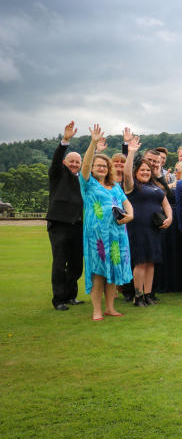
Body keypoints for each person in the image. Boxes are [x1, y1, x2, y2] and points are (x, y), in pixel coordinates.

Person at [78, 124, 133, 321]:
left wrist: (130, 215)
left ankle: (110, 308)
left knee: (113, 273)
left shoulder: (115, 186)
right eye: (97, 165)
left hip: (117, 234)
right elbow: (84, 165)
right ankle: (97, 311)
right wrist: (93, 143)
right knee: (98, 274)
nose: (101, 168)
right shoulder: (88, 184)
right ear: (92, 169)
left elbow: (127, 204)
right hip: (97, 237)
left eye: (104, 166)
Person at [123, 138, 173, 307]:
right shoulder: (131, 186)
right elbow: (126, 172)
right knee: (140, 262)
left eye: (147, 170)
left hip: (154, 229)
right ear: (136, 171)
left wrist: (170, 218)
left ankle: (148, 294)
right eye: (142, 170)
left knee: (151, 263)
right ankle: (138, 297)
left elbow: (165, 204)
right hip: (138, 228)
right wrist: (131, 153)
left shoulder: (155, 187)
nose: (145, 172)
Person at [46, 121, 85, 311]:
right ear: (65, 163)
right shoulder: (57, 174)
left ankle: (71, 295)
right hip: (60, 224)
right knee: (60, 263)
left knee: (77, 265)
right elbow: (56, 159)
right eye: (72, 161)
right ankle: (59, 299)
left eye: (78, 162)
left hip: (78, 225)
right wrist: (65, 141)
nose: (75, 164)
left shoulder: (83, 180)